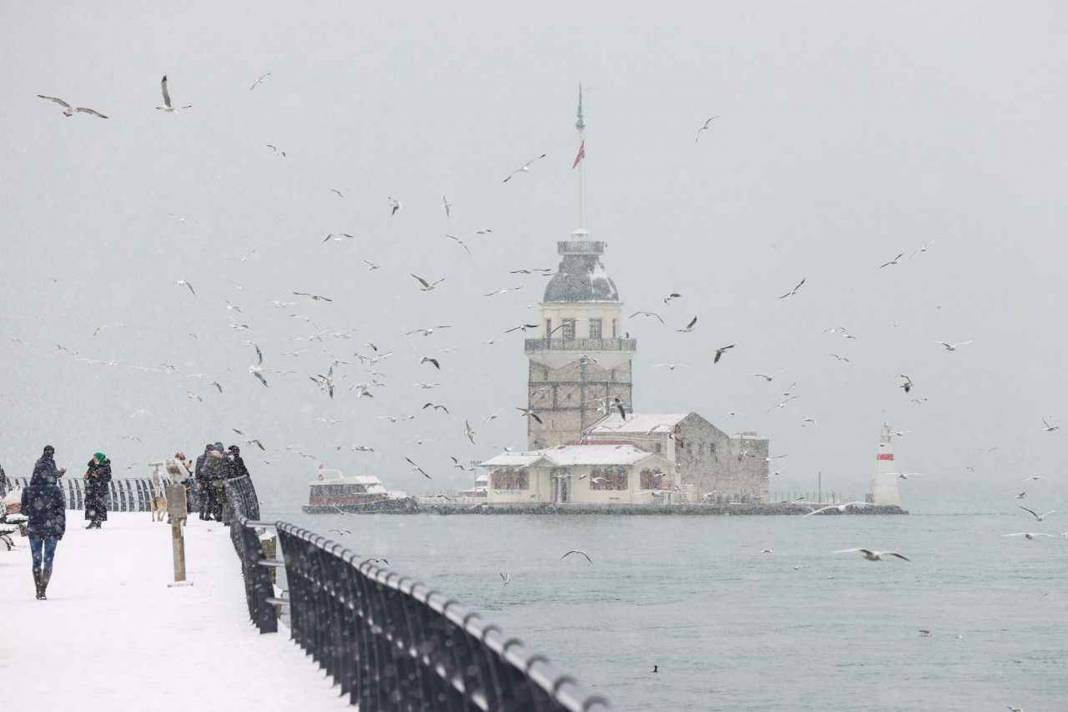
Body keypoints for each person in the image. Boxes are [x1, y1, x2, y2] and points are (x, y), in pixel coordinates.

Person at [22, 446, 67, 600]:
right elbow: (61, 512)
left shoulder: (28, 490)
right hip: (51, 528)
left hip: (34, 528)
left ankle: (37, 589)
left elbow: (25, 511)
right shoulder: (56, 491)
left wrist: (36, 508)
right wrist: (60, 529)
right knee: (48, 558)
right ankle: (43, 590)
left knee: (36, 559)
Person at [84, 452, 112, 529]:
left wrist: (98, 477)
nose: (94, 459)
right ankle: (92, 520)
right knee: (90, 504)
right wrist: (87, 476)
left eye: (95, 458)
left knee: (100, 505)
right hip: (91, 488)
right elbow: (88, 474)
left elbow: (108, 478)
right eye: (94, 458)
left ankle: (99, 521)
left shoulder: (105, 467)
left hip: (101, 489)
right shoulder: (92, 466)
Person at [193, 444, 212, 520]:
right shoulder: (210, 458)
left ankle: (201, 514)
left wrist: (198, 480)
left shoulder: (200, 458)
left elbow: (197, 470)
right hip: (209, 481)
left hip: (201, 481)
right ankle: (207, 515)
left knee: (202, 498)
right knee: (210, 498)